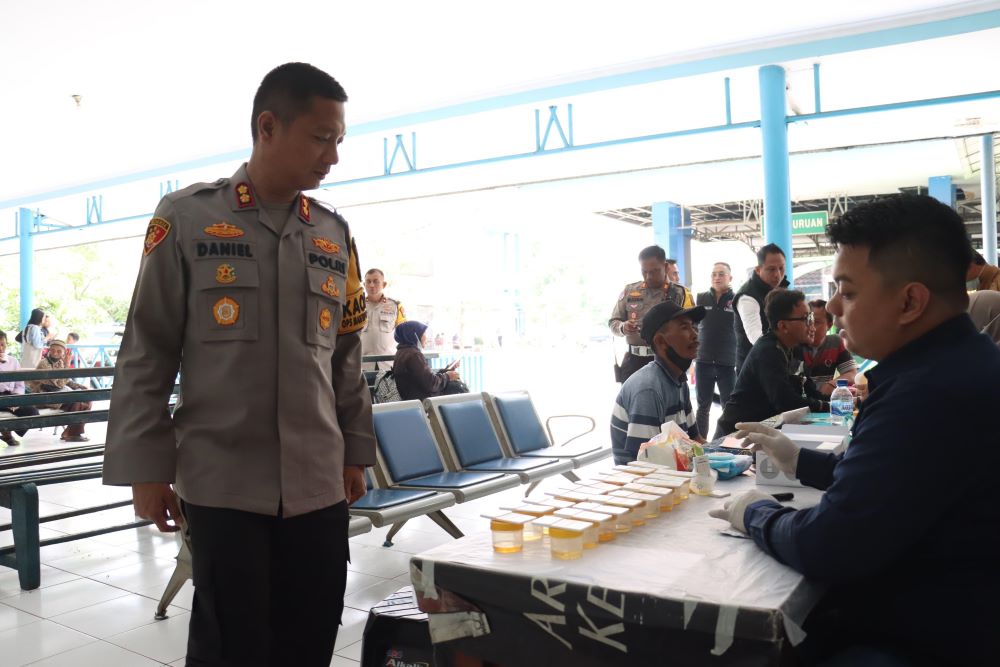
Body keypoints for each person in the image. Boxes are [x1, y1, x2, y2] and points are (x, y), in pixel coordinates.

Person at [102, 62, 375, 667]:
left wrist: (355, 449)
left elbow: (346, 356)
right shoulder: (186, 218)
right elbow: (147, 350)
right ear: (268, 126)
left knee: (310, 633)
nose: (332, 156)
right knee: (232, 642)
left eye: (338, 140)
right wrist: (147, 469)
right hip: (222, 481)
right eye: (320, 137)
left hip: (318, 481)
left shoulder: (334, 234)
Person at [709, 194, 1000, 665]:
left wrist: (755, 514)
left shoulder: (928, 394)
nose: (835, 309)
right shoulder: (958, 366)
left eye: (849, 290)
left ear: (910, 301)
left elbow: (828, 544)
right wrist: (798, 460)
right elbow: (890, 484)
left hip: (926, 639)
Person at [714, 290, 828, 438]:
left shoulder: (793, 349)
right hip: (733, 439)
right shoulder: (767, 352)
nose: (812, 325)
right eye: (806, 318)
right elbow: (786, 402)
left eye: (811, 317)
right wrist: (827, 406)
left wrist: (843, 402)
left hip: (759, 435)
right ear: (783, 326)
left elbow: (810, 390)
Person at [610, 301, 704, 465]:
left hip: (672, 472)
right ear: (661, 342)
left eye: (693, 327)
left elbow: (696, 441)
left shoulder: (679, 380)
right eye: (684, 328)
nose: (694, 334)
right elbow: (645, 465)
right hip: (643, 483)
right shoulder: (648, 390)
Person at [609, 245, 695, 383]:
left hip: (667, 361)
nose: (648, 276)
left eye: (654, 271)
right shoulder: (629, 291)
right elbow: (613, 322)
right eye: (644, 271)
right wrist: (622, 327)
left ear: (666, 267)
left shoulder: (680, 294)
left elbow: (693, 329)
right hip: (634, 362)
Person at [694, 262, 736, 438]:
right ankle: (699, 444)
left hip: (728, 363)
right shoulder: (701, 298)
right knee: (703, 408)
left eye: (721, 274)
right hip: (703, 361)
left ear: (730, 278)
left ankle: (726, 442)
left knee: (729, 406)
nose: (717, 277)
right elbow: (692, 327)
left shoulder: (738, 299)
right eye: (714, 274)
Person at [733, 243, 787, 371]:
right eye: (771, 269)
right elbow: (756, 337)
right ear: (758, 269)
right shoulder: (747, 297)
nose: (778, 275)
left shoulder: (780, 288)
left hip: (777, 362)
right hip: (752, 368)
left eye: (781, 268)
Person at [27, 339, 91, 442]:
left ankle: (70, 432)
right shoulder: (44, 364)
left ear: (64, 353)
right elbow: (59, 384)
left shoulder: (60, 362)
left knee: (88, 398)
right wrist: (66, 365)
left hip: (57, 396)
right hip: (44, 397)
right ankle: (71, 433)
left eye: (59, 351)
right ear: (49, 351)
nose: (55, 353)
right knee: (77, 401)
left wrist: (80, 386)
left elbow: (67, 382)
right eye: (52, 350)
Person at [392, 320, 463, 401]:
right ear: (415, 335)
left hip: (414, 399)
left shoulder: (402, 352)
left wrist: (448, 369)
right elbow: (431, 384)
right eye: (423, 334)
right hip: (424, 402)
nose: (426, 337)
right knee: (457, 388)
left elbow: (425, 378)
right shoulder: (414, 355)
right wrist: (448, 376)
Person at [802, 299, 857, 397]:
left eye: (817, 322)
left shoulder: (835, 342)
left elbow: (852, 373)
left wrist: (832, 384)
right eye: (808, 321)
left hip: (824, 401)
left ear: (829, 325)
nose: (811, 327)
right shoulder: (795, 344)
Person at [359, 268, 406, 371]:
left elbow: (404, 335)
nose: (371, 285)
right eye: (368, 281)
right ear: (364, 284)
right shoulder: (357, 306)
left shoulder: (395, 306)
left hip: (388, 364)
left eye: (376, 281)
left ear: (384, 284)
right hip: (363, 365)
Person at [0, 330, 40, 447]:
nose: (0, 348)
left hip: (11, 396)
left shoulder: (13, 361)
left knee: (32, 412)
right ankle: (7, 434)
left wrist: (16, 399)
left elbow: (19, 385)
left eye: (2, 344)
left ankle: (7, 431)